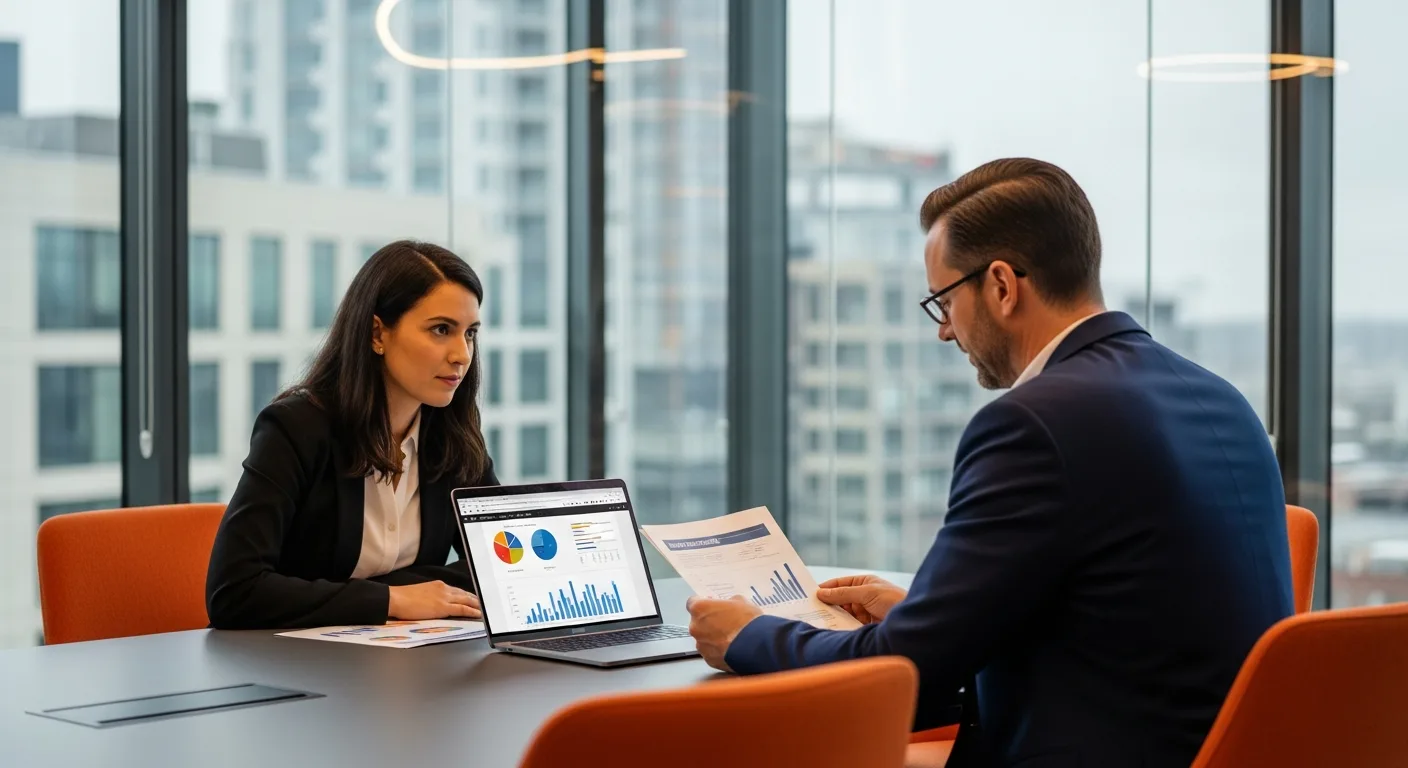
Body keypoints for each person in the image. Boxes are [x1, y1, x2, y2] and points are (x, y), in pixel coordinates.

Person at [686, 159, 1293, 767]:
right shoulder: (1220, 399)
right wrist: (935, 616)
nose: (944, 332)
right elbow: (1136, 612)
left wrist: (747, 635)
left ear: (1001, 286)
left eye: (943, 302)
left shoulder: (1036, 423)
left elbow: (906, 680)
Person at [206, 241, 498, 629]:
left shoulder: (452, 430)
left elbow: (501, 562)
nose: (462, 354)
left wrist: (398, 592)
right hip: (300, 665)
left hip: (412, 663)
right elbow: (234, 591)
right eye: (441, 330)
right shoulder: (296, 429)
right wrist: (392, 598)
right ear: (377, 333)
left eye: (470, 334)